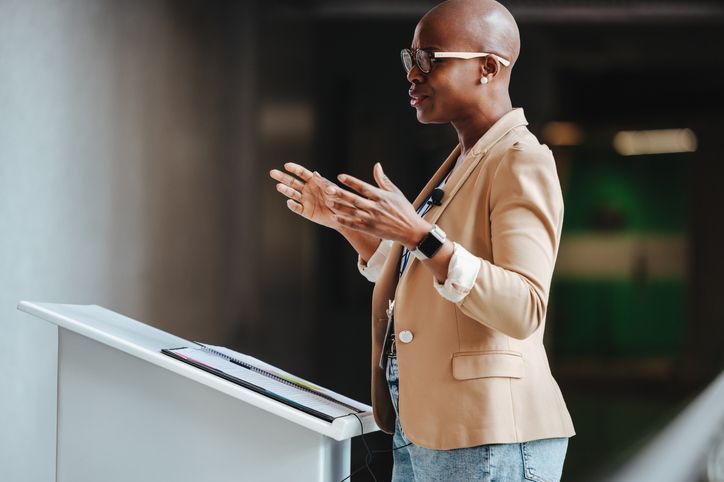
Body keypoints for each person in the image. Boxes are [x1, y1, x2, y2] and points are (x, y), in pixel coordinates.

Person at [270, 0, 575, 480]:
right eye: (408, 59)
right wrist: (348, 222)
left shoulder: (520, 159)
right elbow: (425, 266)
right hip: (431, 427)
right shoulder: (463, 159)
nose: (412, 75)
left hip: (489, 433)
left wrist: (418, 233)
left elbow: (523, 306)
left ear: (488, 68)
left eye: (428, 58)